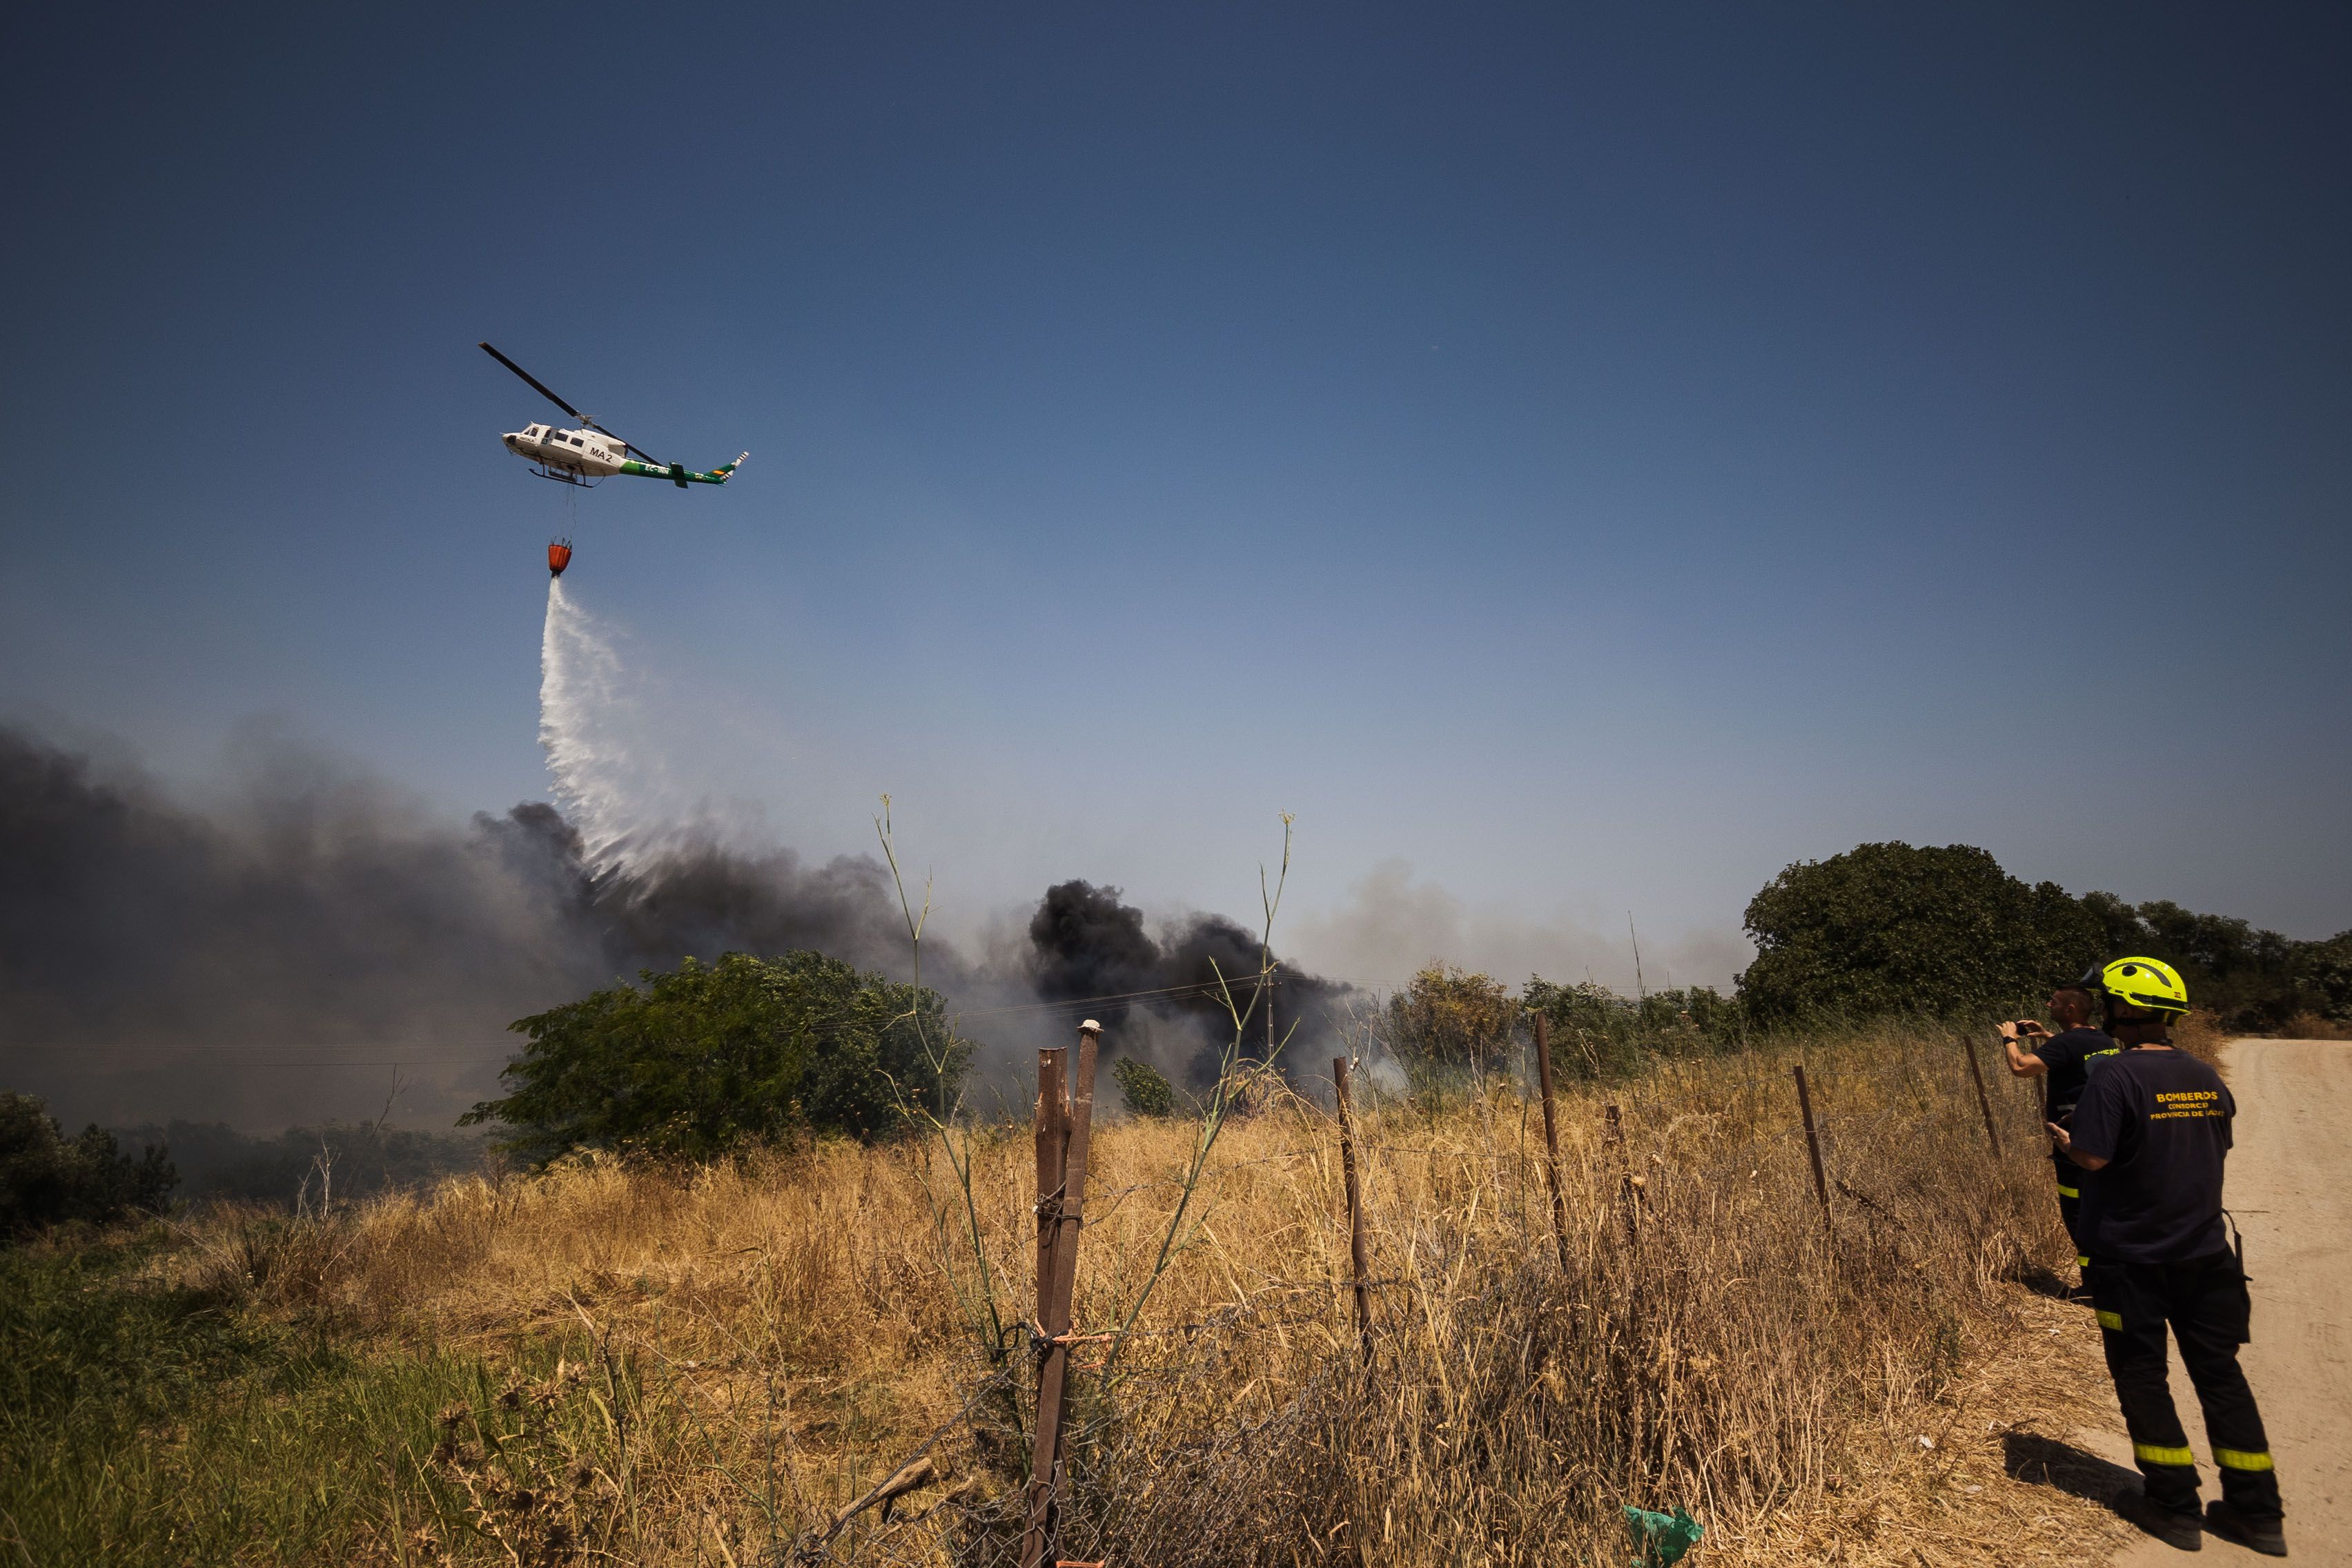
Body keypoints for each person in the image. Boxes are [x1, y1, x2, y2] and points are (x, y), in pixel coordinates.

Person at [2050, 957, 2287, 1556]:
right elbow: (2216, 1140)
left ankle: (2173, 1503)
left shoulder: (2114, 1074)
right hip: (2206, 1254)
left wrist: (2070, 1141)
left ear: (2123, 1011)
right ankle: (2258, 1513)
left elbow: (2095, 1157)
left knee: (2141, 1374)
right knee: (2220, 1375)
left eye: (2109, 1002)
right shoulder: (2203, 1074)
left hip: (2130, 1259)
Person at [1997, 984, 2117, 1277]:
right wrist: (2049, 1036)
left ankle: (2093, 1284)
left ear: (2070, 1009)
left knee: (2077, 1213)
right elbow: (2078, 1055)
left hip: (2072, 1144)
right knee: (2103, 1209)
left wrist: (2009, 1038)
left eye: (2054, 1002)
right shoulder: (2101, 1038)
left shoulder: (2066, 1043)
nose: (2049, 1005)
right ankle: (2107, 1277)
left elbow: (2021, 1067)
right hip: (2106, 1138)